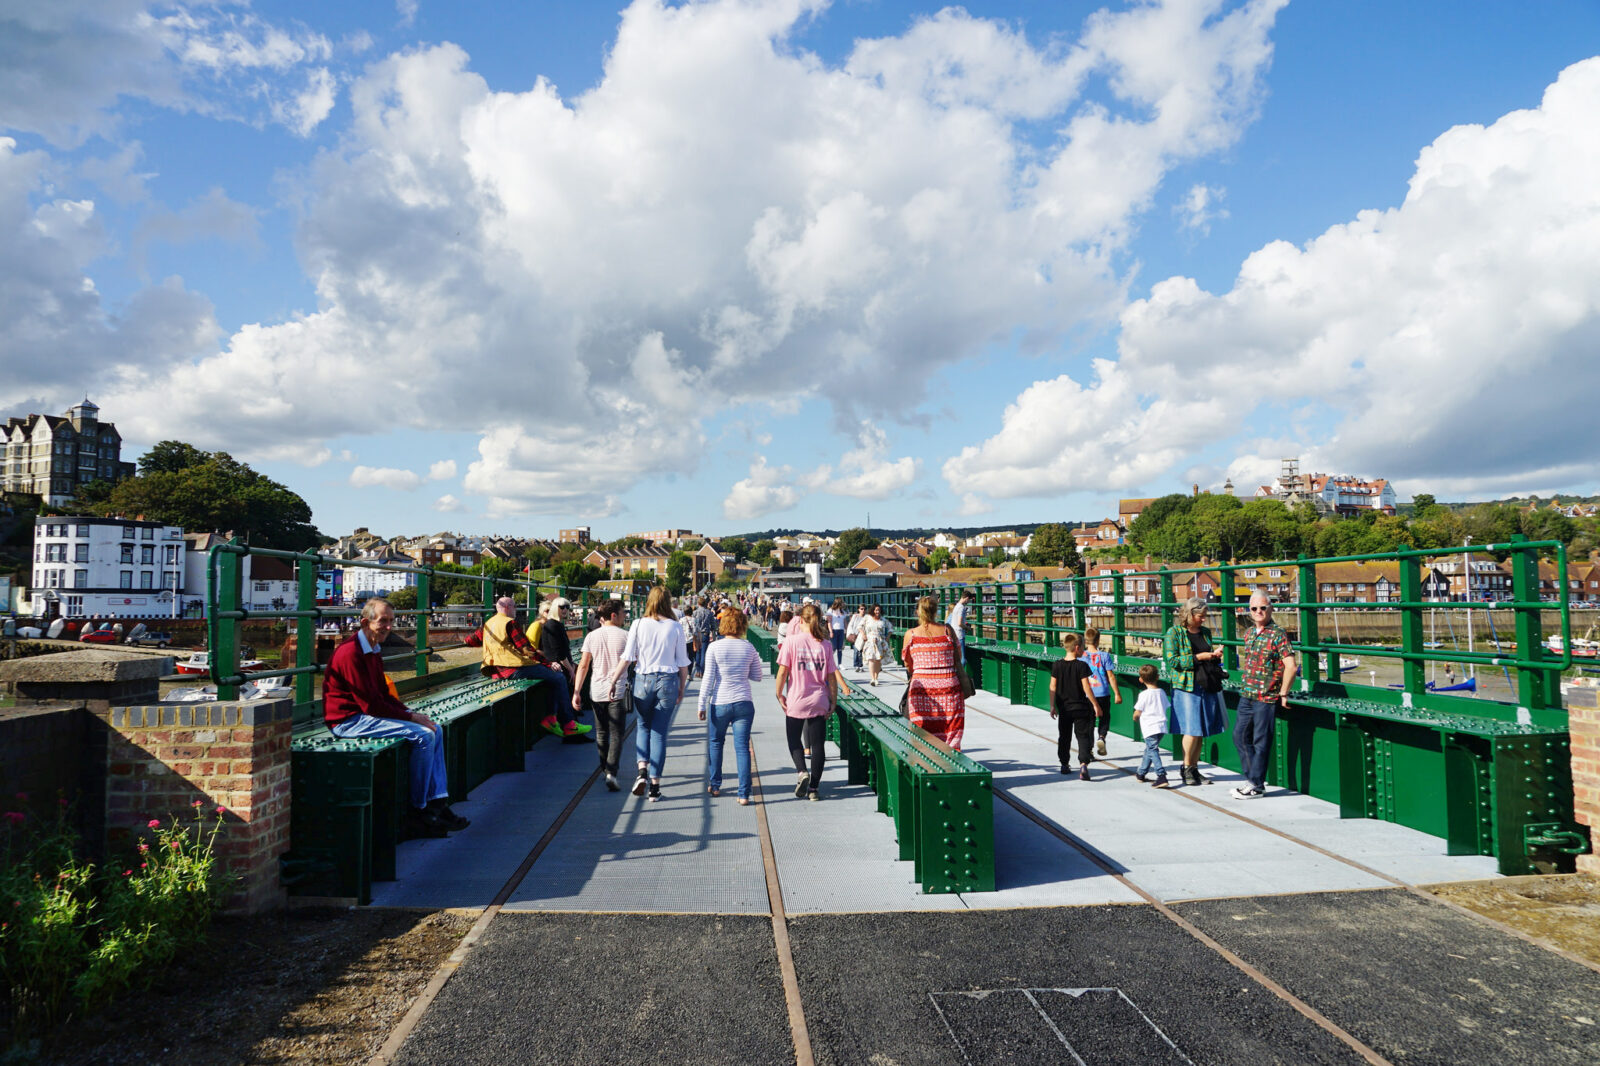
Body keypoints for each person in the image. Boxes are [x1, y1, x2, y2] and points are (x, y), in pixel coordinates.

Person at [324, 599, 467, 836]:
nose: (389, 626)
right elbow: (370, 704)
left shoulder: (372, 649)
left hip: (363, 714)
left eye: (391, 621)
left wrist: (412, 714)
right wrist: (409, 717)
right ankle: (418, 810)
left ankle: (438, 803)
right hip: (347, 720)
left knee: (435, 728)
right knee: (423, 736)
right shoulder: (350, 653)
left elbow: (382, 694)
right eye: (383, 621)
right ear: (365, 622)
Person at [465, 597, 590, 739]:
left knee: (552, 678)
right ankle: (567, 723)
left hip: (494, 671)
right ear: (507, 607)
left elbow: (470, 640)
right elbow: (527, 650)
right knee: (559, 677)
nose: (516, 611)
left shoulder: (489, 623)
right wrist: (548, 663)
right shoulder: (510, 623)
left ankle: (554, 719)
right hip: (514, 668)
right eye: (514, 607)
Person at [609, 586, 690, 801]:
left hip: (643, 681)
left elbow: (627, 657)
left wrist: (614, 680)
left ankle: (642, 771)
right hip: (667, 682)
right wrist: (681, 687)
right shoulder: (675, 626)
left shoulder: (637, 624)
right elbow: (682, 663)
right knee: (660, 733)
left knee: (643, 726)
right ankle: (655, 786)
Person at [1232, 593, 1298, 800]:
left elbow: (1291, 667)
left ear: (1270, 609)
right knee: (1239, 736)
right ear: (1249, 611)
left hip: (1266, 696)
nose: (1259, 612)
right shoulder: (1249, 633)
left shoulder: (1278, 634)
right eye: (1254, 609)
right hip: (1247, 693)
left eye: (1263, 608)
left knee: (1261, 740)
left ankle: (1256, 784)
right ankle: (1253, 779)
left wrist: (1284, 693)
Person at [775, 602, 842, 800]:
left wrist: (779, 694)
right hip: (819, 699)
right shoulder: (826, 644)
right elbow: (831, 677)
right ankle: (813, 789)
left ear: (800, 620)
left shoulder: (791, 641)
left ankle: (802, 772)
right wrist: (833, 701)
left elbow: (782, 672)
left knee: (794, 739)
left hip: (797, 699)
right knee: (818, 745)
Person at [697, 606, 763, 805]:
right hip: (744, 701)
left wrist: (701, 704)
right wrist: (743, 672)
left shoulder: (715, 647)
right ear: (742, 625)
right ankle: (744, 794)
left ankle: (715, 785)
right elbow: (757, 676)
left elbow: (708, 679)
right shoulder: (749, 647)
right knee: (742, 747)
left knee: (716, 743)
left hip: (720, 702)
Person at [1162, 597, 1226, 787]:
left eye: (1205, 616)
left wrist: (1214, 656)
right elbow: (1173, 661)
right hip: (1186, 687)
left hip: (1205, 684)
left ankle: (1194, 768)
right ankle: (1186, 767)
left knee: (1200, 730)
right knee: (1191, 729)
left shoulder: (1205, 632)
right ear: (1189, 614)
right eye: (1201, 616)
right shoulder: (1174, 633)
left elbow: (1207, 657)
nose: (1204, 619)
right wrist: (1199, 657)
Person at [572, 599, 630, 790]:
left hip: (596, 690)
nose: (625, 616)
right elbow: (633, 662)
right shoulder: (626, 636)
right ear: (613, 615)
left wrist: (577, 691)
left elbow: (583, 665)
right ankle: (612, 772)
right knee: (617, 733)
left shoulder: (592, 636)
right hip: (618, 691)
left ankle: (605, 767)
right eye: (623, 612)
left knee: (602, 732)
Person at [901, 595, 966, 749]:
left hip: (921, 687)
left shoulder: (911, 634)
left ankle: (924, 757)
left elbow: (907, 663)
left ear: (918, 612)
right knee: (950, 727)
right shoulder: (947, 630)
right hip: (949, 685)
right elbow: (958, 657)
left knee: (922, 726)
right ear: (936, 611)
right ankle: (952, 756)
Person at [1049, 632, 1102, 780]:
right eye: (1083, 648)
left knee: (1064, 737)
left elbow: (1052, 686)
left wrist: (1052, 706)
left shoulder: (1057, 665)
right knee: (1083, 736)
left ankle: (1064, 764)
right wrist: (1096, 705)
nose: (1084, 650)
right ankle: (1083, 763)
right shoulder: (1082, 665)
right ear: (1077, 648)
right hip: (1081, 708)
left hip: (1064, 709)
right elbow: (1086, 688)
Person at [1083, 626, 1122, 755]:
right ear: (1098, 640)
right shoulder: (1105, 656)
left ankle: (1089, 750)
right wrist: (1117, 693)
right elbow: (1111, 676)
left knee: (1089, 722)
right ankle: (1102, 737)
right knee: (1104, 718)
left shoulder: (1081, 656)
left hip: (1088, 695)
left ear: (1085, 640)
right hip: (1103, 693)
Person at [1132, 664, 1171, 788]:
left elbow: (1138, 712)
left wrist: (1135, 717)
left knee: (1153, 750)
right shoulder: (1162, 692)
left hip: (1149, 727)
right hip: (1162, 726)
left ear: (1141, 679)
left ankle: (1161, 775)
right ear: (1158, 677)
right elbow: (1165, 706)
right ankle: (1141, 773)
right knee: (1149, 749)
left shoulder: (1143, 695)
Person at [538, 596, 578, 692]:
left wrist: (571, 665)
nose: (565, 609)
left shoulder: (558, 624)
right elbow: (559, 652)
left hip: (563, 666)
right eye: (562, 607)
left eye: (567, 607)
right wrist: (571, 669)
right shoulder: (552, 625)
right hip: (558, 667)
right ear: (555, 608)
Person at [858, 603, 891, 686]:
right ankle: (872, 678)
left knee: (878, 660)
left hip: (880, 641)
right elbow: (859, 626)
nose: (877, 612)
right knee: (871, 659)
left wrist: (888, 637)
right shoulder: (867, 618)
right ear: (873, 610)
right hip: (869, 641)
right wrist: (863, 634)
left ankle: (876, 678)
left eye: (879, 610)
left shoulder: (883, 620)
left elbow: (890, 628)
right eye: (876, 610)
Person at [945, 590, 974, 660]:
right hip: (960, 635)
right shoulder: (961, 608)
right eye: (968, 600)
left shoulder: (956, 606)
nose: (968, 602)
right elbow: (959, 623)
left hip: (954, 634)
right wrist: (967, 628)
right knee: (963, 659)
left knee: (956, 658)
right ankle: (960, 671)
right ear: (966, 598)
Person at [691, 597, 717, 677]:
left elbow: (693, 624)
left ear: (698, 604)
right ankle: (702, 671)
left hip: (697, 634)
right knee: (703, 653)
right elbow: (713, 624)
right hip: (705, 633)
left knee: (697, 653)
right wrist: (713, 633)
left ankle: (698, 671)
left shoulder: (695, 612)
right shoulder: (709, 612)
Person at [827, 597, 849, 666]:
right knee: (833, 647)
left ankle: (840, 664)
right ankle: (829, 661)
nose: (843, 604)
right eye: (841, 603)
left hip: (841, 630)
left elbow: (845, 622)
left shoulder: (843, 611)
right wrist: (831, 631)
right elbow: (829, 622)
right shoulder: (831, 611)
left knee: (840, 648)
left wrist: (848, 630)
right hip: (834, 630)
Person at [845, 606, 866, 670]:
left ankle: (860, 665)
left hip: (862, 635)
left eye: (864, 609)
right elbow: (851, 624)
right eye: (861, 609)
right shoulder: (855, 616)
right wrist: (851, 633)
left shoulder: (866, 617)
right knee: (856, 650)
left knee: (861, 651)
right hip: (855, 635)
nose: (863, 610)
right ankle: (856, 664)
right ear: (858, 609)